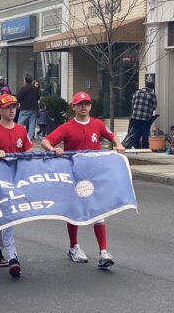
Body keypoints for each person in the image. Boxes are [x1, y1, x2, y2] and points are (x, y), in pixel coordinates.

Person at [41, 91, 126, 269]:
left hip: (94, 175)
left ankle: (103, 252)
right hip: (75, 176)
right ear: (73, 107)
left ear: (90, 106)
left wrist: (118, 145)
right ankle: (73, 247)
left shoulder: (97, 124)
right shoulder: (67, 127)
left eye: (86, 104)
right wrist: (53, 149)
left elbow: (111, 136)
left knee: (99, 211)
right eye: (80, 104)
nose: (83, 107)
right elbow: (46, 141)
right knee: (76, 212)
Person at [0, 94, 34, 278]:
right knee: (9, 216)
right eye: (8, 107)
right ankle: (13, 257)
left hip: (16, 179)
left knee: (8, 216)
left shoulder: (21, 130)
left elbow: (27, 151)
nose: (12, 110)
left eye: (14, 106)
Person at [129, 79, 157, 149]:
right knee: (145, 132)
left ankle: (135, 146)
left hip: (136, 116)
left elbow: (133, 102)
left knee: (136, 132)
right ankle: (145, 147)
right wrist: (149, 110)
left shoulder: (137, 92)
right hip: (146, 117)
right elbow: (154, 106)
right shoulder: (152, 94)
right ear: (152, 88)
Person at [17, 74, 40, 141]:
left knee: (20, 123)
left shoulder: (24, 88)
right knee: (32, 123)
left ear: (25, 80)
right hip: (34, 108)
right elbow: (38, 97)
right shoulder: (35, 89)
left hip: (25, 108)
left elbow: (19, 97)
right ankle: (30, 138)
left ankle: (18, 135)